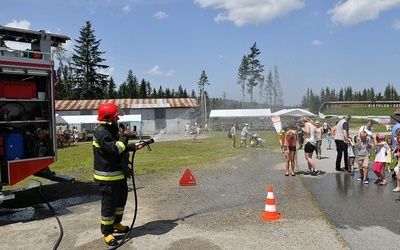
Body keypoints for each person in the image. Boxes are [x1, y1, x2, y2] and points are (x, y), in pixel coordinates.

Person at [93, 103, 144, 246]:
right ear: (110, 118)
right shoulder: (102, 133)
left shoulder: (110, 130)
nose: (118, 120)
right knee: (109, 205)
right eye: (117, 117)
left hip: (118, 174)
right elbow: (116, 148)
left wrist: (134, 147)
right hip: (107, 175)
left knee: (120, 201)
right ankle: (107, 232)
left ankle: (116, 223)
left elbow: (116, 146)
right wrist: (126, 136)